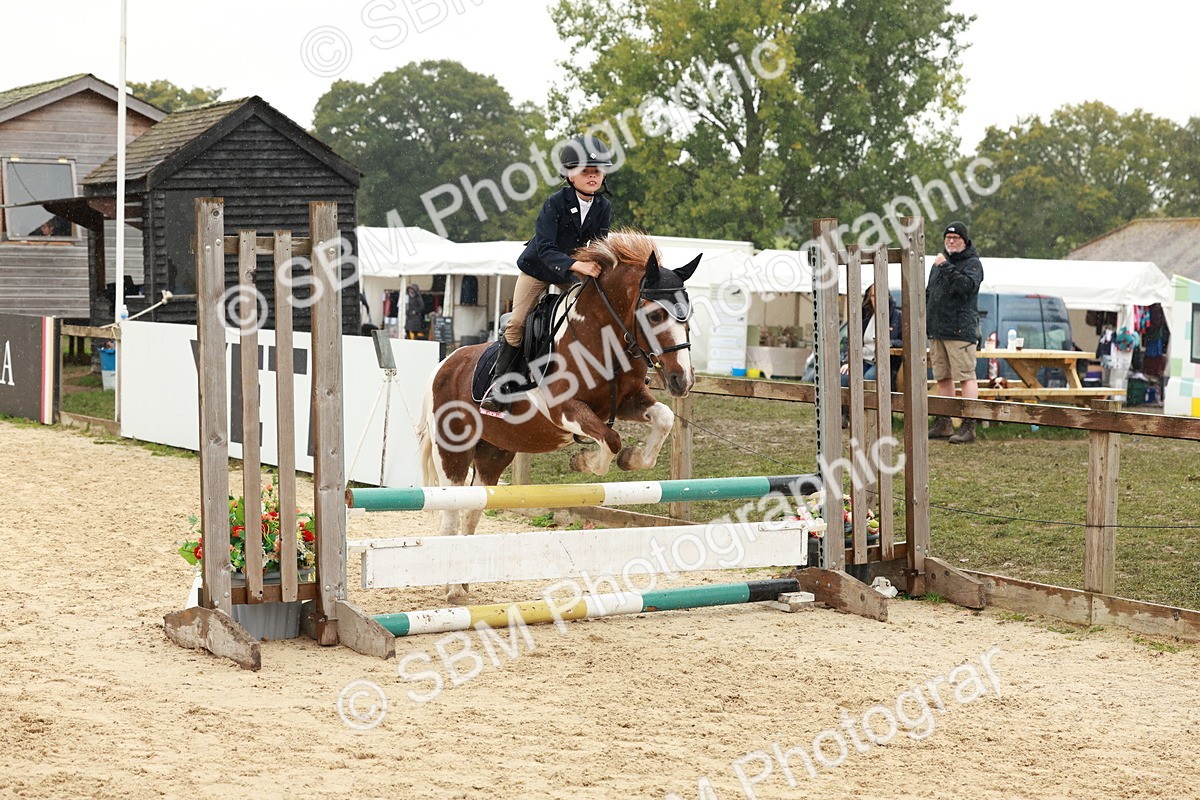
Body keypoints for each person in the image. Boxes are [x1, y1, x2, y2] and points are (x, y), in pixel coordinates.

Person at [479, 134, 613, 413]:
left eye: (597, 171)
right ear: (569, 175)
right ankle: (499, 385)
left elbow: (599, 245)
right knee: (517, 322)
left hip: (572, 270)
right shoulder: (555, 202)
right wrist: (577, 266)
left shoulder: (603, 207)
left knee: (598, 309)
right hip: (539, 266)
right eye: (585, 171)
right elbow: (545, 247)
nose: (592, 176)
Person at [927, 221, 984, 444]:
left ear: (964, 241)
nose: (951, 242)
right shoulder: (939, 264)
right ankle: (944, 423)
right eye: (948, 238)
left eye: (955, 238)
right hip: (938, 330)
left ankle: (969, 425)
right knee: (942, 377)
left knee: (966, 377)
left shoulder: (972, 263)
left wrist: (945, 267)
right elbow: (930, 293)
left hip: (960, 331)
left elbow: (965, 287)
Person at [839, 283, 902, 426]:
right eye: (873, 296)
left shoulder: (897, 316)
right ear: (869, 298)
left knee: (869, 379)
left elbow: (905, 341)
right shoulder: (864, 317)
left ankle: (869, 418)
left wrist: (890, 342)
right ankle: (845, 415)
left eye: (880, 295)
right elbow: (852, 342)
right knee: (844, 377)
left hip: (884, 362)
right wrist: (848, 361)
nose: (876, 299)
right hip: (861, 360)